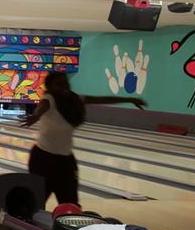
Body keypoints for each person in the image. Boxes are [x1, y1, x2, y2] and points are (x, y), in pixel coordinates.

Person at [21, 72, 146, 206]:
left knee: (71, 203)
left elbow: (101, 99)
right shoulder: (49, 99)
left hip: (65, 161)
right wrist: (35, 116)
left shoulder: (75, 100)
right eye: (59, 84)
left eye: (66, 83)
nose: (64, 86)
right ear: (50, 86)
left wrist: (129, 99)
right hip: (42, 160)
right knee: (37, 203)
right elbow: (42, 107)